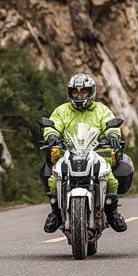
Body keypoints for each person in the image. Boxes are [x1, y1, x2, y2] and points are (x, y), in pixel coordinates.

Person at [42, 73, 127, 234]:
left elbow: (110, 124)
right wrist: (51, 135)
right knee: (54, 179)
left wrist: (113, 136)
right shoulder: (62, 111)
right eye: (75, 92)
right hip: (69, 153)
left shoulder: (101, 110)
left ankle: (112, 213)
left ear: (91, 92)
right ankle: (56, 214)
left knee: (110, 179)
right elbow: (53, 125)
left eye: (83, 92)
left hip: (97, 153)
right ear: (70, 93)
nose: (79, 96)